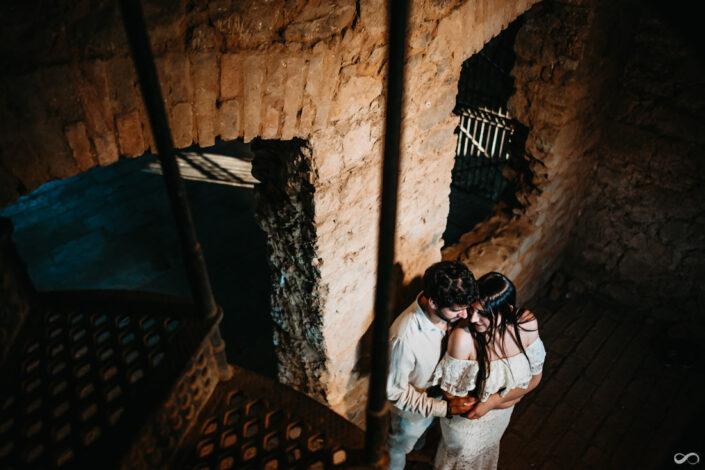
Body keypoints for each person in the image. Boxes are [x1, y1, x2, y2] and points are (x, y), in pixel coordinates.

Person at [431, 272, 546, 470]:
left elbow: (535, 379)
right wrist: (511, 398)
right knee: (462, 458)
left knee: (487, 452)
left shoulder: (526, 325)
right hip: (467, 426)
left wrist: (495, 401)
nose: (473, 318)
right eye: (472, 309)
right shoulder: (463, 337)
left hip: (499, 416)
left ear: (507, 309)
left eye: (483, 313)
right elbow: (452, 396)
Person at [386, 261, 480, 470]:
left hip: (439, 401)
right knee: (399, 447)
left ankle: (417, 452)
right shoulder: (404, 338)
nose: (466, 316)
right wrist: (443, 408)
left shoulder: (447, 300)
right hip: (414, 413)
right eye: (458, 310)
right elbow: (394, 393)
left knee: (420, 441)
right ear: (433, 303)